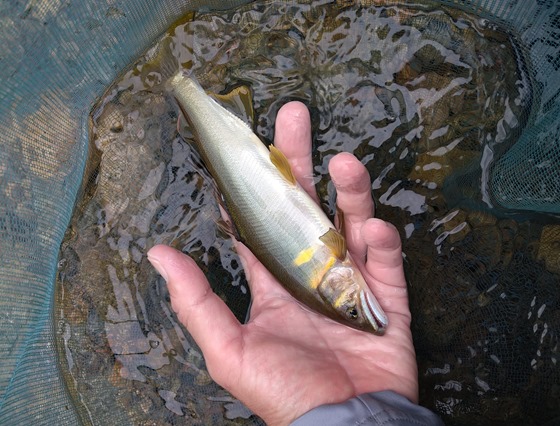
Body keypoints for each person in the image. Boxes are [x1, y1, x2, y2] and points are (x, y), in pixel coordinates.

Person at [147, 101, 444, 426]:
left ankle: (190, 97)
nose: (361, 312)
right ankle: (194, 99)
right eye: (353, 312)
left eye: (352, 311)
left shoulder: (336, 256)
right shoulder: (338, 261)